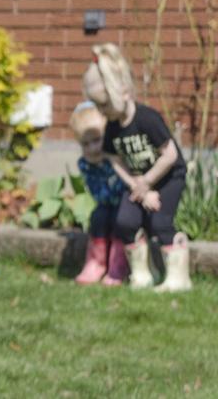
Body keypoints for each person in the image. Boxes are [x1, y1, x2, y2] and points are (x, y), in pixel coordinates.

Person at [81, 43, 191, 293]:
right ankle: (142, 274)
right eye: (98, 107)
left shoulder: (147, 119)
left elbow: (170, 155)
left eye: (104, 106)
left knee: (160, 222)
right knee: (125, 221)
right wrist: (137, 187)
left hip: (168, 177)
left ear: (124, 91)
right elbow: (113, 158)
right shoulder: (112, 126)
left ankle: (178, 278)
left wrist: (147, 183)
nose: (102, 112)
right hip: (140, 182)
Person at [69, 101, 128, 286]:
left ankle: (118, 265)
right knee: (99, 217)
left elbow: (125, 185)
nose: (92, 148)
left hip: (124, 203)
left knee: (121, 219)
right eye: (85, 144)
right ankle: (96, 263)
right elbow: (97, 193)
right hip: (105, 202)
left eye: (97, 140)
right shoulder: (86, 165)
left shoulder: (118, 158)